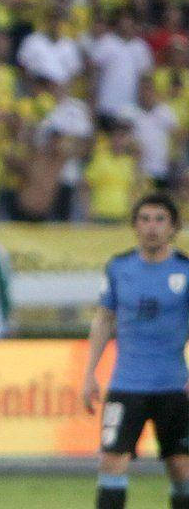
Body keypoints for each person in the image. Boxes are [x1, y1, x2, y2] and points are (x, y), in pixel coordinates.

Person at [81, 194, 189, 509]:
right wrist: (89, 374)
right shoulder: (119, 267)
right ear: (135, 226)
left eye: (159, 219)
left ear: (173, 227)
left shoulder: (184, 270)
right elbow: (103, 319)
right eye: (144, 219)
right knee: (112, 460)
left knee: (180, 466)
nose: (151, 227)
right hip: (126, 385)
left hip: (173, 386)